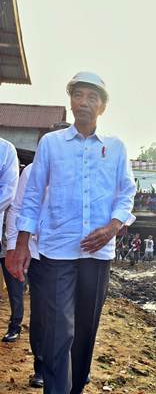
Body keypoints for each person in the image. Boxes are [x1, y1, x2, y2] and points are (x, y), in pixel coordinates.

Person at [8, 72, 136, 393]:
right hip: (56, 252)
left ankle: (75, 387)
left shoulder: (116, 148)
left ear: (102, 107)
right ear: (71, 100)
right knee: (57, 332)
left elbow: (126, 193)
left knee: (84, 332)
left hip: (98, 255)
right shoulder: (51, 144)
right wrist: (21, 243)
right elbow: (34, 194)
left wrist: (113, 226)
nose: (84, 102)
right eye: (79, 95)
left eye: (92, 97)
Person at [5, 162, 45, 387]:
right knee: (40, 313)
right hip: (38, 252)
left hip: (74, 253)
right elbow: (17, 208)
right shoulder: (31, 171)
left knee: (72, 313)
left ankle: (74, 365)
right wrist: (14, 245)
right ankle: (41, 366)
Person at [0, 138, 19, 343]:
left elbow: (8, 194)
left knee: (15, 284)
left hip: (8, 239)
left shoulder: (6, 150)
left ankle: (15, 325)